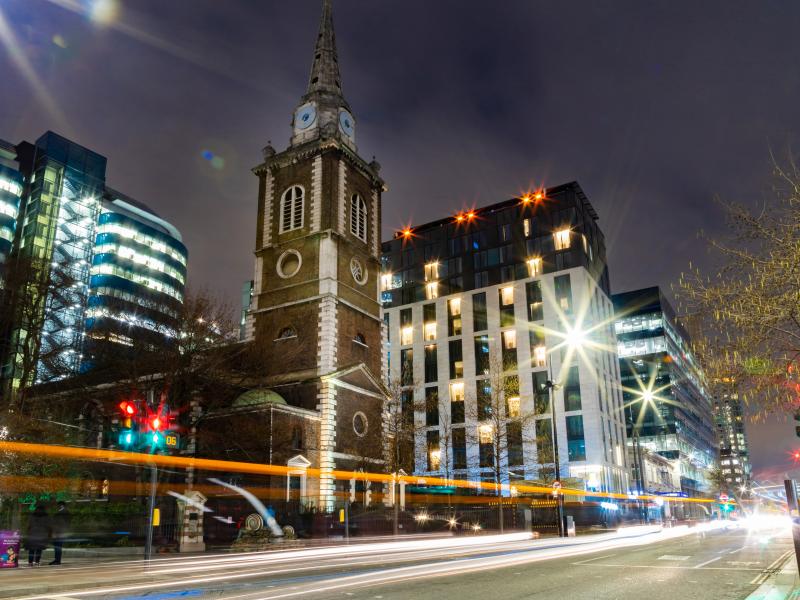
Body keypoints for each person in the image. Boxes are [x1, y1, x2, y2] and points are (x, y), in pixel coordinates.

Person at [49, 501, 70, 565]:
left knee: (58, 546)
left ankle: (57, 560)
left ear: (61, 505)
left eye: (58, 505)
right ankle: (57, 559)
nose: (57, 507)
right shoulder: (63, 512)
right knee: (57, 546)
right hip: (59, 532)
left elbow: (61, 523)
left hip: (59, 532)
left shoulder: (63, 512)